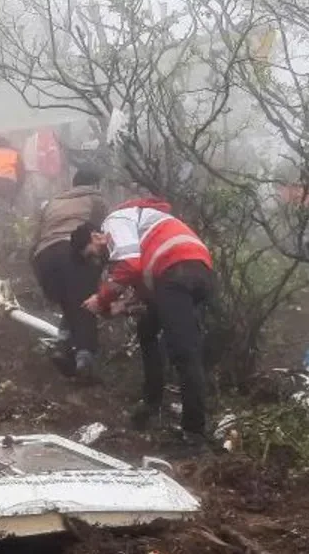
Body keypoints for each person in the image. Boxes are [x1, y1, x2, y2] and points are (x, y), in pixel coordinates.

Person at [73, 199, 214, 436]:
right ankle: (151, 404)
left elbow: (131, 266)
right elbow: (145, 286)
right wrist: (122, 306)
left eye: (92, 254)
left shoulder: (113, 222)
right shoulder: (138, 227)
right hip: (193, 267)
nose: (97, 261)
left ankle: (194, 433)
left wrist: (101, 299)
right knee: (148, 329)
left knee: (183, 351)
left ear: (96, 236)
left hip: (176, 267)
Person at [30, 168, 108, 378]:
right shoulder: (95, 199)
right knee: (86, 302)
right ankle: (85, 359)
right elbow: (101, 233)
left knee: (70, 302)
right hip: (71, 251)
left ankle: (63, 346)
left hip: (43, 257)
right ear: (95, 185)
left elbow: (37, 236)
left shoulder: (53, 202)